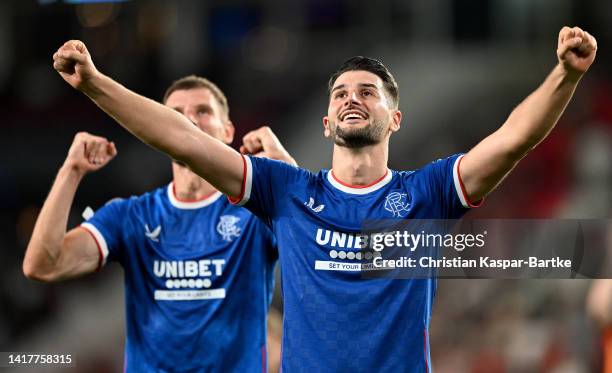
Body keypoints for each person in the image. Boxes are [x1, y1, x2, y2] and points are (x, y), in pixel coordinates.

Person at [51, 26, 597, 371]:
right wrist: (96, 84)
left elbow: (512, 138)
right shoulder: (286, 191)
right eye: (340, 93)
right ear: (327, 120)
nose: (352, 99)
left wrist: (565, 75)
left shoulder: (425, 193)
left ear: (395, 118)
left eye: (368, 92)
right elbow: (180, 139)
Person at [23, 75, 295, 372]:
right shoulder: (131, 215)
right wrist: (70, 172)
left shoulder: (256, 212)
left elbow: (315, 237)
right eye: (174, 116)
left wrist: (284, 167)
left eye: (202, 111)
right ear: (158, 130)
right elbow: (43, 265)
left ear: (228, 130)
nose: (188, 122)